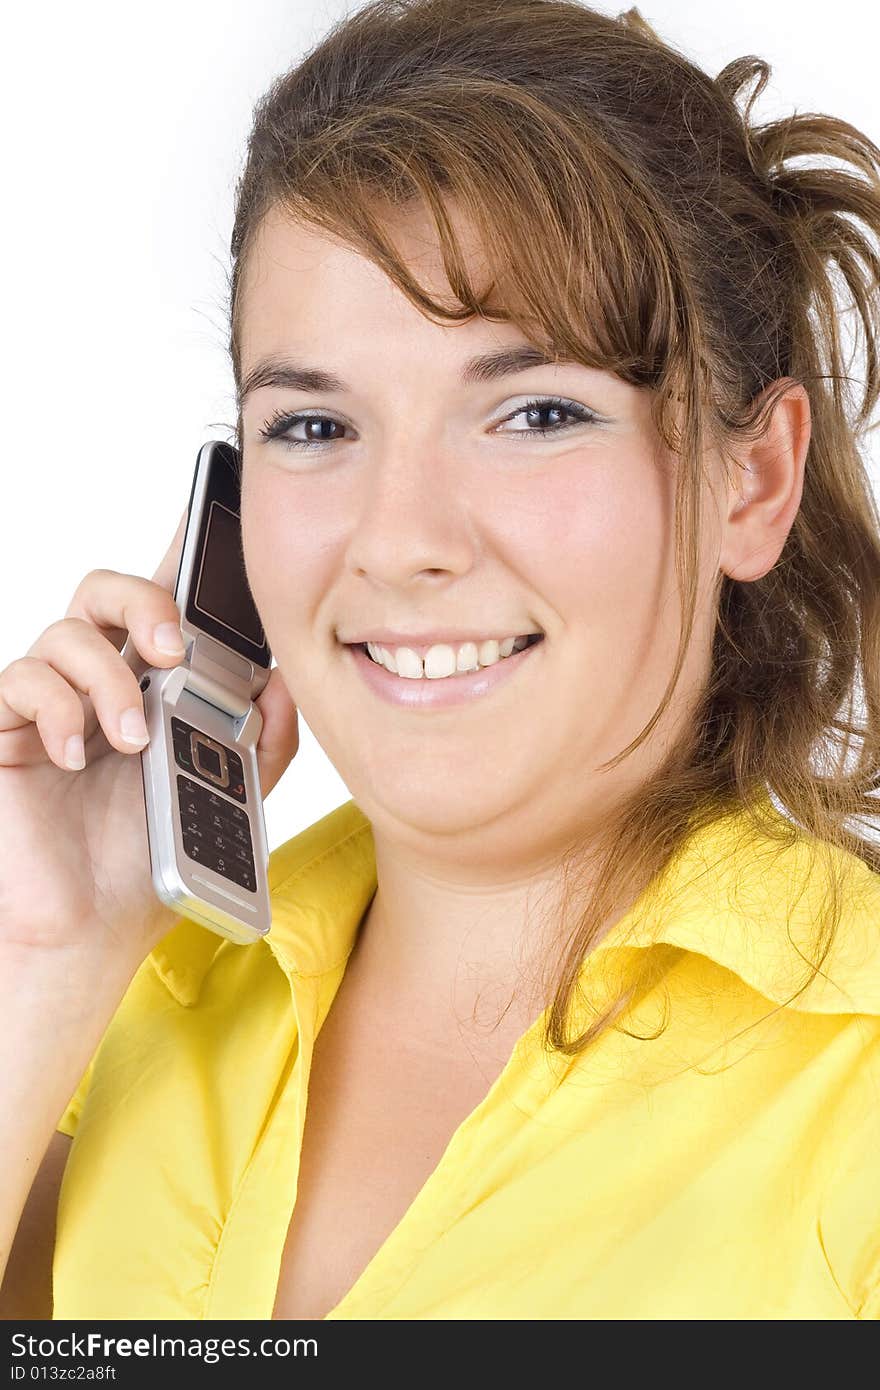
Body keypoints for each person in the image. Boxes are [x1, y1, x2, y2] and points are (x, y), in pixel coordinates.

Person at [2, 0, 880, 1322]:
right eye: (311, 424)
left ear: (751, 480)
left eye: (534, 412)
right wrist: (50, 957)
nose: (399, 540)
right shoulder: (131, 1004)